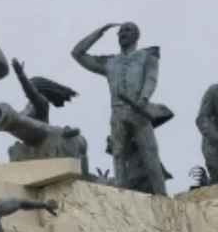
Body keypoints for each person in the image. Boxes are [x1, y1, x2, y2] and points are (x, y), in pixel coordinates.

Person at [71, 22, 170, 195]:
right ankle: (122, 195)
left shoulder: (147, 56)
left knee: (150, 154)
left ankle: (162, 196)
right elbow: (77, 53)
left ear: (136, 35)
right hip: (117, 112)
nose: (122, 34)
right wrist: (99, 32)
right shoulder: (110, 62)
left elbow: (151, 79)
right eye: (120, 32)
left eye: (127, 30)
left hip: (138, 111)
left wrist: (144, 98)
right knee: (118, 155)